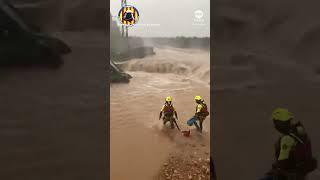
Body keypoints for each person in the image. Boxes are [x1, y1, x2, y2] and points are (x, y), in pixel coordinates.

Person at [261, 108, 317, 180]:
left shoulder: (287, 139)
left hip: (290, 175)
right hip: (301, 173)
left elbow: (282, 162)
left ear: (279, 124)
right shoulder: (300, 132)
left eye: (275, 122)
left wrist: (274, 170)